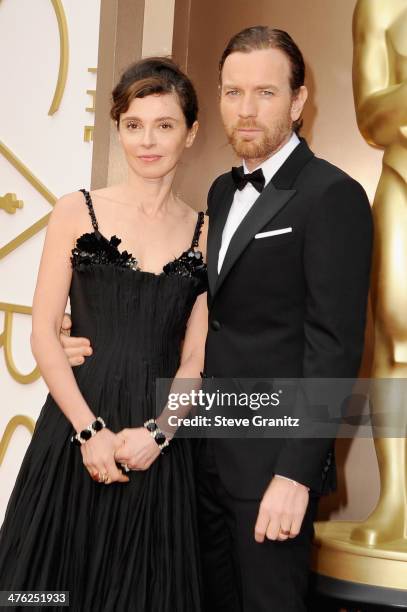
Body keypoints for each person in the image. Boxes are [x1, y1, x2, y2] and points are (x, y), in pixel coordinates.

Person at [59, 27, 373, 612]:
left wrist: (296, 475)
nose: (246, 110)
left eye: (265, 93)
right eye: (232, 92)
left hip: (273, 467)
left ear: (299, 101)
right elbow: (200, 315)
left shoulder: (333, 195)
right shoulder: (221, 195)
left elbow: (334, 347)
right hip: (197, 459)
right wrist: (85, 324)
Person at [0, 57, 208, 611]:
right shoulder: (75, 211)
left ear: (191, 132)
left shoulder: (206, 232)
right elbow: (43, 333)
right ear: (117, 128)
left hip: (156, 447)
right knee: (44, 593)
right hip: (74, 431)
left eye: (164, 125)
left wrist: (159, 434)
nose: (147, 141)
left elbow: (195, 362)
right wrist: (89, 432)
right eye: (133, 124)